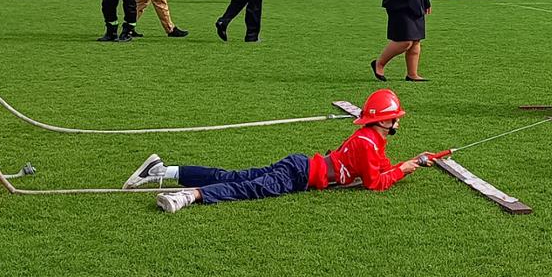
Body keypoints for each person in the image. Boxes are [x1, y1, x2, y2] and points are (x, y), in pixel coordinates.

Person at [124, 89, 440, 213]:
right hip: (301, 175)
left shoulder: (371, 139)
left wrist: (412, 161)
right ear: (385, 122)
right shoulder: (368, 143)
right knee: (247, 188)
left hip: (300, 166)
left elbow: (379, 167)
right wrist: (406, 168)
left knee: (235, 177)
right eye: (395, 118)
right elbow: (375, 182)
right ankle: (189, 195)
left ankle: (162, 171)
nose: (398, 121)